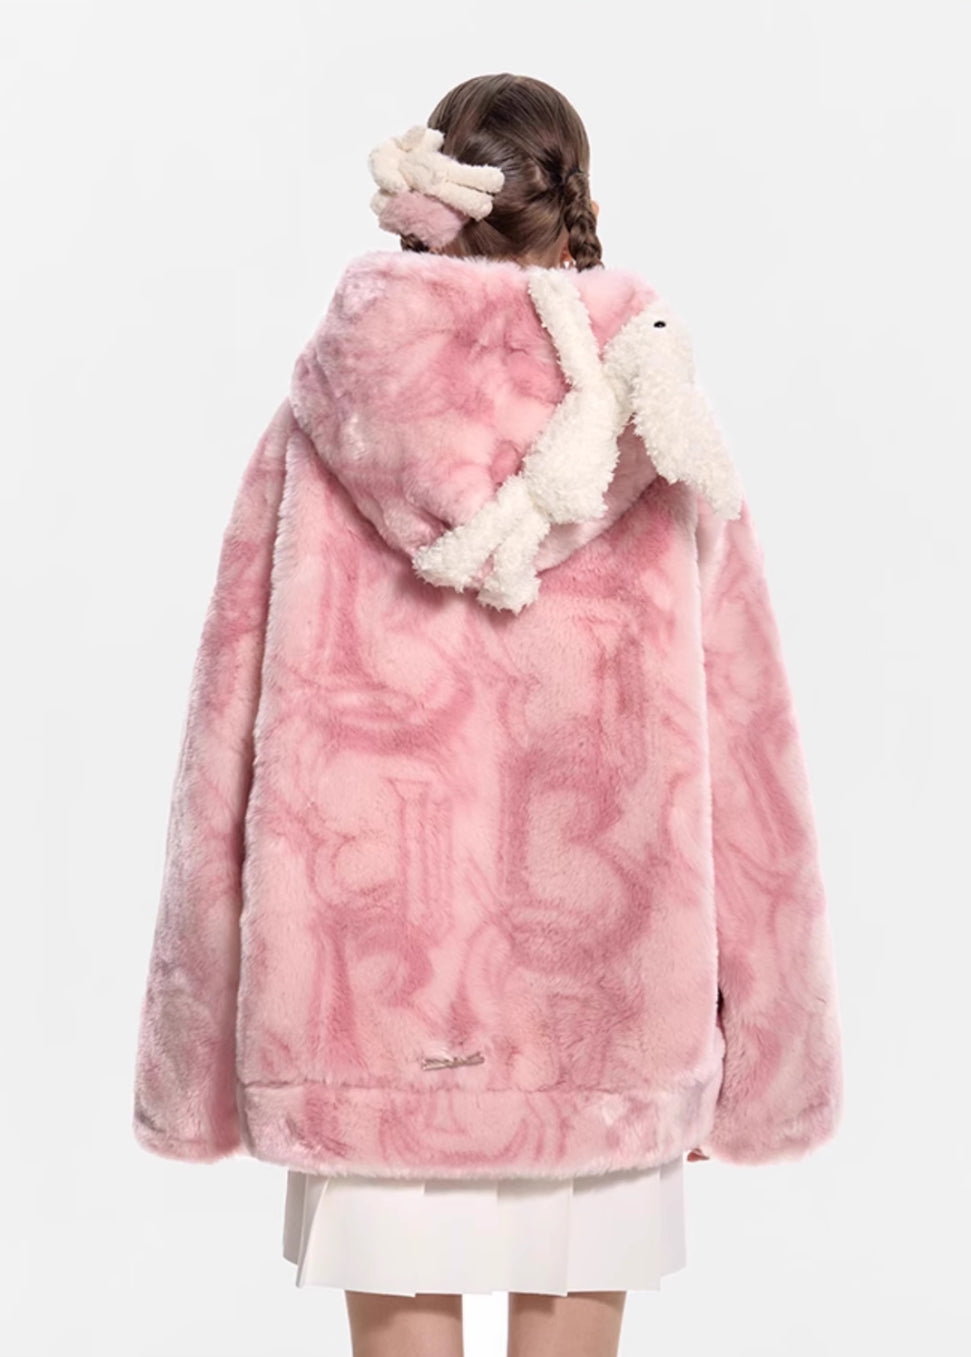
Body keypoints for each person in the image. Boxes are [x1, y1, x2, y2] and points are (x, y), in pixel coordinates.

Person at [132, 72, 844, 1357]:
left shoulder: (326, 414)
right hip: (606, 1013)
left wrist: (190, 1056)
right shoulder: (655, 418)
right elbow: (751, 750)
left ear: (434, 198)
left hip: (361, 1011)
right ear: (574, 201)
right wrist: (769, 1051)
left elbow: (221, 743)